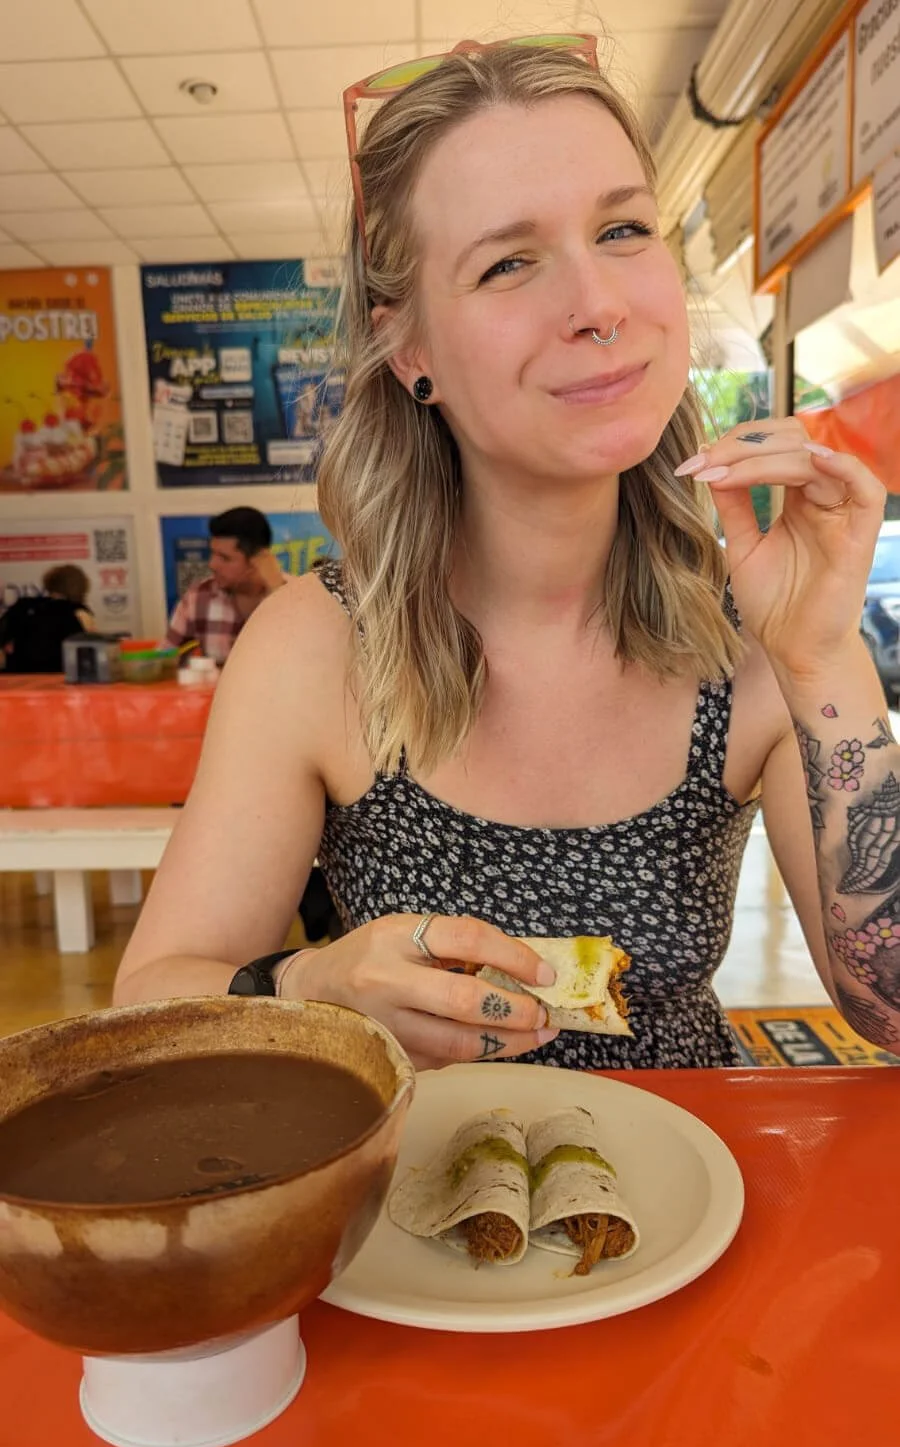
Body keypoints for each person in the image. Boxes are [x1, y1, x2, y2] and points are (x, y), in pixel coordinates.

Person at [116, 37, 897, 1071]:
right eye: (507, 262)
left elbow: (891, 1011)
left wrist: (823, 659)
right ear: (411, 349)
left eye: (622, 228)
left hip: (707, 1191)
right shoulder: (319, 641)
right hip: (412, 1206)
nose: (599, 305)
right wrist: (306, 983)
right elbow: (148, 1004)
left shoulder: (749, 628)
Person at [164, 506, 286, 664]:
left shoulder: (299, 596)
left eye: (225, 558)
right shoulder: (199, 597)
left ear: (259, 560)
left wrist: (277, 589)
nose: (212, 564)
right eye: (212, 554)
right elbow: (164, 661)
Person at [0, 563, 93, 673]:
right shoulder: (79, 612)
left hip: (18, 678)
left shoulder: (23, 606)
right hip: (61, 679)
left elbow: (4, 638)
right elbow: (92, 650)